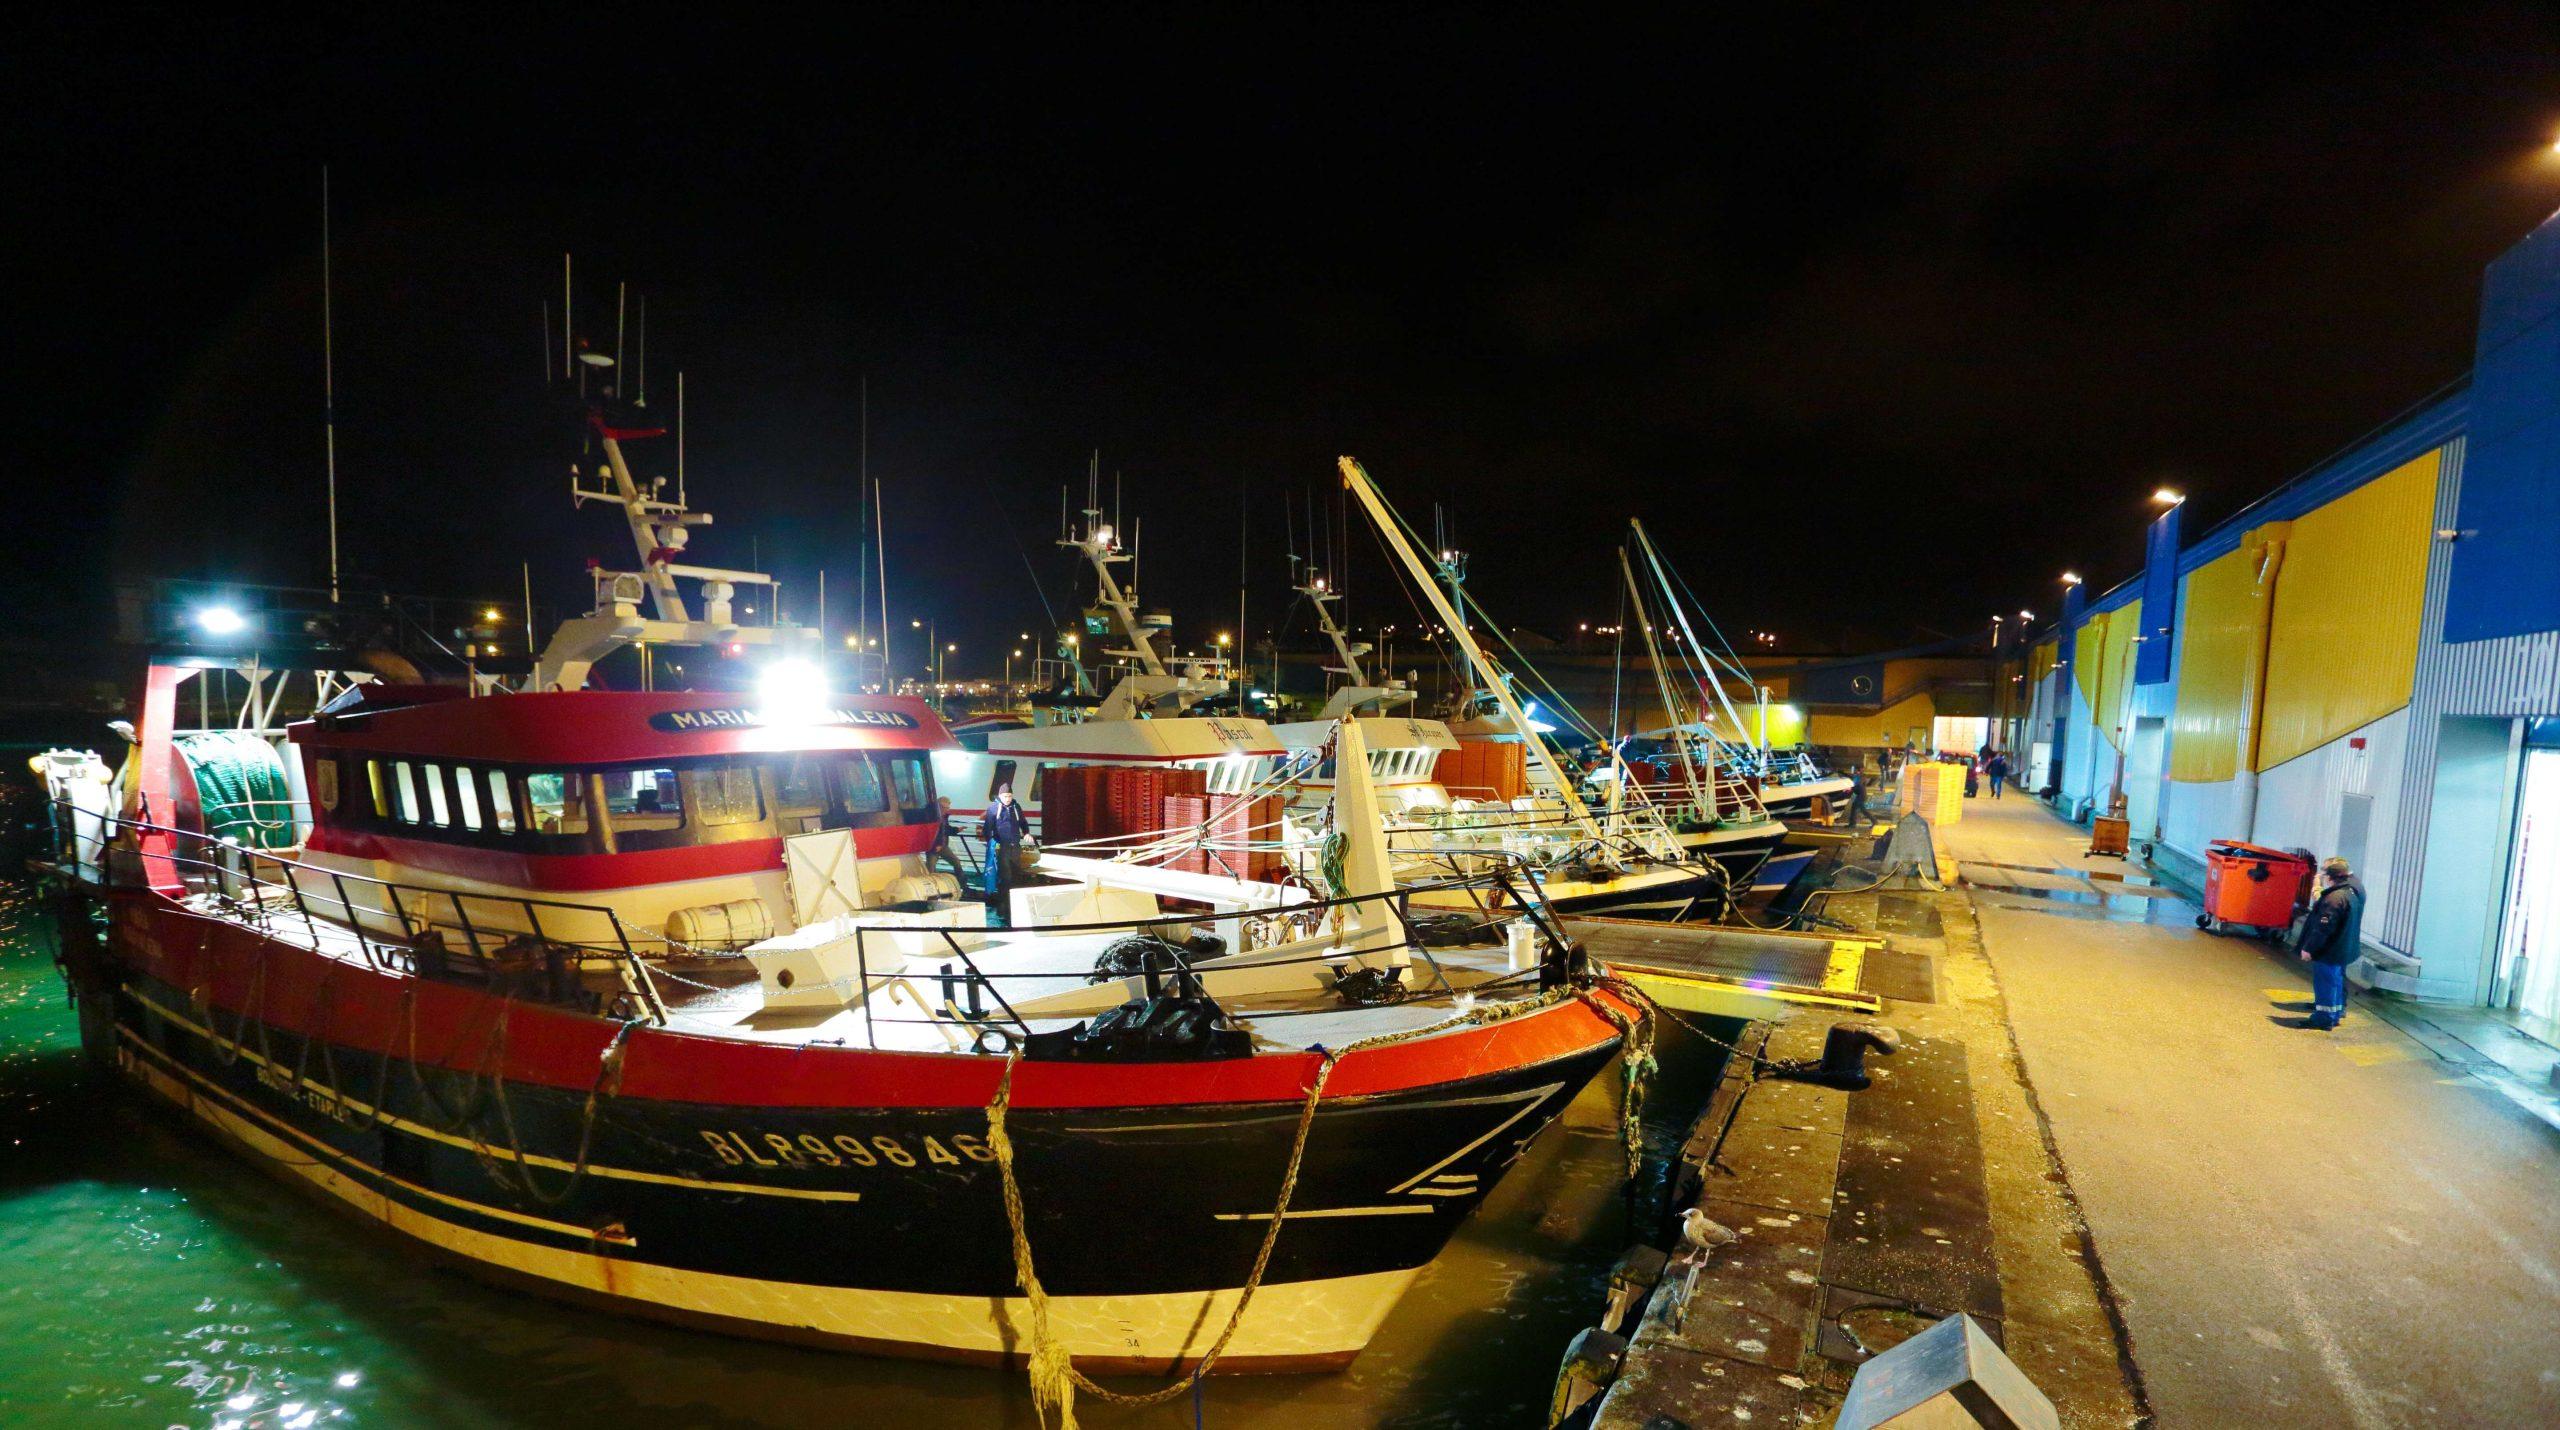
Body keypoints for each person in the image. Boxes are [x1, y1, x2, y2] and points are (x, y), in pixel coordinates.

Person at [2277, 857, 2364, 1030]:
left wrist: (2309, 948)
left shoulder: (2334, 898)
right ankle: (2335, 1012)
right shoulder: (2352, 891)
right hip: (2341, 949)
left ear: (2330, 877)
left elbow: (2323, 929)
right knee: (2335, 982)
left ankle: (2323, 1018)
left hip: (2329, 951)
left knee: (2326, 983)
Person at [981, 782, 1031, 926]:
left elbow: (1023, 822)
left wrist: (1026, 833)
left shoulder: (1016, 807)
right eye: (1005, 796)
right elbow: (987, 828)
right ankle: (1003, 909)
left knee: (1016, 877)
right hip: (1001, 847)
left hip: (1015, 846)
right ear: (1000, 796)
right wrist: (991, 843)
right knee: (1005, 878)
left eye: (1010, 796)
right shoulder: (993, 808)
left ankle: (1011, 908)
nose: (1008, 798)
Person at [930, 797, 968, 885]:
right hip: (935, 846)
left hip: (941, 845)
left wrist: (957, 829)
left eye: (947, 808)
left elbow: (945, 829)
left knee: (955, 862)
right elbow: (935, 832)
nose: (947, 810)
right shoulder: (933, 817)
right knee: (931, 868)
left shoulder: (942, 817)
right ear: (940, 807)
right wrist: (938, 844)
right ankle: (962, 883)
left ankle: (962, 883)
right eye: (945, 808)